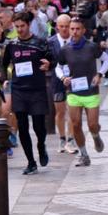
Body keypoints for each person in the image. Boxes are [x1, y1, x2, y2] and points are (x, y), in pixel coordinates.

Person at [4, 11, 52, 175]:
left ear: (29, 25)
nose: (20, 30)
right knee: (22, 126)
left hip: (37, 89)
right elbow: (4, 65)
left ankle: (41, 145)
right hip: (19, 90)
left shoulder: (40, 42)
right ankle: (31, 162)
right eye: (17, 27)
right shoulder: (12, 44)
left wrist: (48, 65)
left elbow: (52, 60)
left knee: (39, 126)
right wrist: (6, 78)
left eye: (22, 26)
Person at [56, 18, 105, 166]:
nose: (74, 32)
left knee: (92, 125)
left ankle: (96, 135)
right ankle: (84, 155)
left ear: (83, 30)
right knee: (76, 124)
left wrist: (99, 74)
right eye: (72, 29)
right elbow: (58, 67)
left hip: (91, 91)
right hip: (74, 92)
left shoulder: (91, 47)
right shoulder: (65, 49)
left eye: (78, 29)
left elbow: (107, 60)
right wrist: (63, 77)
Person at [47, 14, 74, 153]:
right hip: (57, 81)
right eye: (61, 26)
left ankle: (71, 140)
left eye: (67, 26)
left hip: (74, 80)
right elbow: (47, 60)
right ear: (57, 27)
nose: (64, 29)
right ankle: (62, 138)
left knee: (72, 111)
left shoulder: (75, 40)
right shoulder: (50, 42)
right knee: (60, 112)